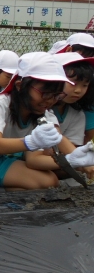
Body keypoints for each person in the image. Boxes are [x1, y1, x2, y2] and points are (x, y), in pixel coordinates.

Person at [0, 52, 94, 195]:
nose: (50, 100)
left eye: (56, 95)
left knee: (48, 182)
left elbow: (58, 138)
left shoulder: (44, 111)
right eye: (45, 93)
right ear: (20, 85)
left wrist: (75, 158)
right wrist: (31, 142)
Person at [25, 53, 94, 181]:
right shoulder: (40, 109)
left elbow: (71, 149)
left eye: (84, 85)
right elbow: (33, 159)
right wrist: (82, 163)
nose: (78, 90)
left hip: (53, 164)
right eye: (72, 83)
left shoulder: (77, 115)